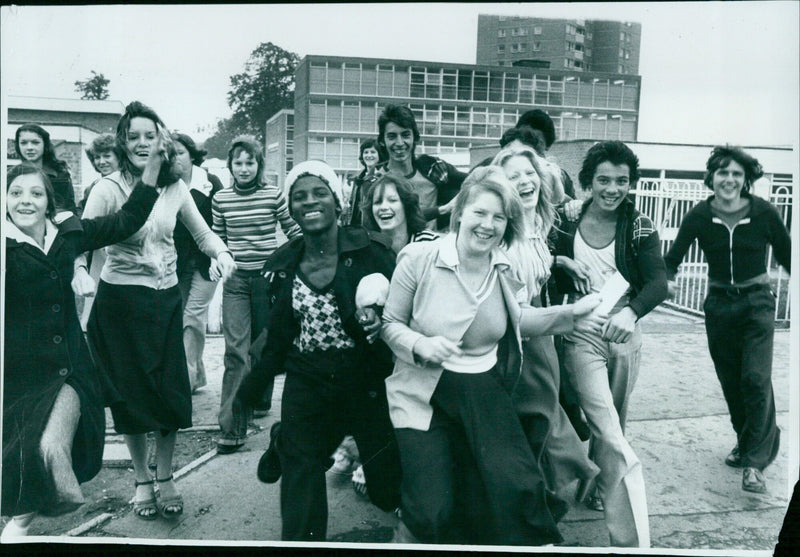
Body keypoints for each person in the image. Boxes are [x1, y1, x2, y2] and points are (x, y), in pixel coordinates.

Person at [381, 166, 603, 545]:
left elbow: (520, 321)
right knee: (431, 506)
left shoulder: (501, 267)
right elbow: (390, 324)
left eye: (499, 217)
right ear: (460, 212)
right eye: (480, 213)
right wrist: (421, 345)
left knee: (514, 484)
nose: (488, 225)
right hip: (424, 391)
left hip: (483, 389)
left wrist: (571, 315)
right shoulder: (420, 257)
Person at [76, 101, 236, 521]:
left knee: (169, 393)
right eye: (134, 137)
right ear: (123, 142)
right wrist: (79, 273)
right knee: (129, 399)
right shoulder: (108, 189)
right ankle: (142, 480)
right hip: (119, 304)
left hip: (165, 300)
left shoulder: (175, 187)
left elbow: (204, 235)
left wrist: (222, 254)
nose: (143, 143)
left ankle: (166, 477)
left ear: (161, 139)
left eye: (150, 135)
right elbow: (82, 239)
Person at [236, 160, 402, 541]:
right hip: (308, 380)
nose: (309, 201)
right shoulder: (282, 265)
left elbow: (405, 309)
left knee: (386, 486)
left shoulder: (372, 252)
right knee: (302, 473)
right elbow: (276, 339)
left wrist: (383, 323)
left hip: (365, 381)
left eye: (319, 193)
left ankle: (285, 439)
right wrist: (247, 392)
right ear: (291, 209)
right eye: (299, 196)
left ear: (337, 203)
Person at [2, 163, 159, 539]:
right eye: (16, 192)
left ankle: (29, 518)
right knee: (23, 455)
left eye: (35, 193)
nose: (26, 201)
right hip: (20, 376)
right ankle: (21, 524)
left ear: (48, 202)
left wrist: (152, 170)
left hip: (70, 367)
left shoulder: (68, 235)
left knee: (49, 445)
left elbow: (126, 220)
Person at [551, 140, 668, 547]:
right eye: (604, 179)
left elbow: (658, 282)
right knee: (605, 424)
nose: (612, 188)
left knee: (614, 421)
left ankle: (596, 485)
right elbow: (538, 259)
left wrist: (631, 311)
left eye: (621, 180)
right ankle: (629, 538)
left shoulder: (640, 226)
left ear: (631, 183)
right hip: (581, 333)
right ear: (588, 181)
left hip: (624, 333)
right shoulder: (566, 221)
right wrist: (561, 261)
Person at [663, 146, 790, 494]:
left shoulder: (764, 212)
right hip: (719, 306)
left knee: (755, 377)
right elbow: (672, 259)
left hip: (757, 304)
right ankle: (748, 440)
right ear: (711, 178)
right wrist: (667, 279)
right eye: (723, 172)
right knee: (733, 382)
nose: (729, 179)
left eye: (736, 173)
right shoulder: (699, 216)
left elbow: (787, 254)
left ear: (746, 179)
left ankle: (754, 464)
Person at [491, 147, 600, 498]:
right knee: (536, 422)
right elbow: (513, 312)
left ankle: (537, 499)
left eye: (529, 173)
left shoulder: (536, 222)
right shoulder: (500, 234)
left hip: (541, 340)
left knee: (543, 421)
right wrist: (570, 317)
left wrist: (559, 260)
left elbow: (533, 261)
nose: (525, 181)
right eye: (513, 177)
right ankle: (534, 504)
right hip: (518, 342)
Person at [211, 135, 301, 454]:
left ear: (259, 165)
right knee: (236, 350)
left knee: (263, 347)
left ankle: (259, 399)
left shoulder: (273, 195)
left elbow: (295, 231)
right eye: (239, 162)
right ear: (231, 166)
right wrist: (216, 262)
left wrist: (291, 263)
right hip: (235, 281)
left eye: (250, 162)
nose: (244, 168)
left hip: (267, 280)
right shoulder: (220, 198)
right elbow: (217, 239)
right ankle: (234, 425)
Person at [172, 132, 225, 393]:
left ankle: (186, 380)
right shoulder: (166, 184)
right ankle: (198, 374)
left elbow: (222, 221)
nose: (175, 157)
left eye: (180, 151)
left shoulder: (210, 182)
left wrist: (220, 255)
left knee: (193, 317)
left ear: (192, 155)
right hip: (177, 263)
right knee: (180, 316)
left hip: (207, 262)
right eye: (170, 152)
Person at [376, 104, 466, 231]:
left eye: (405, 135)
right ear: (382, 141)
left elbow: (475, 180)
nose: (400, 143)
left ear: (415, 137)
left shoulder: (433, 168)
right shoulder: (375, 182)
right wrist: (442, 209)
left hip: (431, 247)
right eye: (392, 136)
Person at [78, 133, 121, 330]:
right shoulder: (93, 187)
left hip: (122, 250)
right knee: (93, 303)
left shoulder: (128, 185)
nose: (101, 161)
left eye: (107, 156)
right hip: (99, 252)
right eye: (97, 157)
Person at [14, 123, 77, 212]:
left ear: (45, 145)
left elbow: (69, 209)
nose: (29, 147)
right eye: (23, 143)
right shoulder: (11, 175)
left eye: (35, 142)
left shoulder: (60, 175)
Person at [342, 139, 383, 226]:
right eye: (366, 152)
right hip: (356, 227)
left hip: (375, 227)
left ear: (379, 155)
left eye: (373, 152)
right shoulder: (358, 178)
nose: (369, 155)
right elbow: (352, 203)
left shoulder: (383, 177)